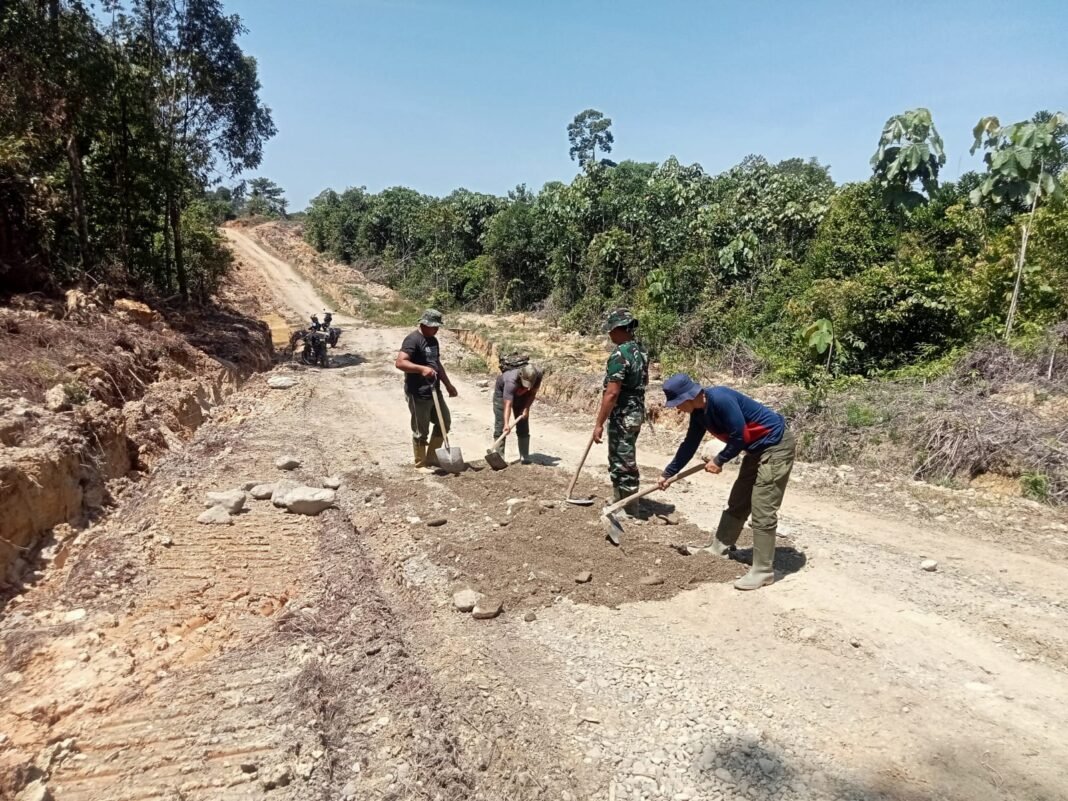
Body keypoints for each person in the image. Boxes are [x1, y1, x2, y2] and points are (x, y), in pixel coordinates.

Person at [656, 373, 796, 591]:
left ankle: (763, 571)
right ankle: (719, 548)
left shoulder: (720, 399)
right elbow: (690, 444)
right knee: (738, 500)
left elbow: (740, 436)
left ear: (688, 397)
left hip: (775, 446)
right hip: (755, 449)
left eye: (677, 404)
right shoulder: (700, 413)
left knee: (762, 507)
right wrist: (668, 473)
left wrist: (719, 460)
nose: (677, 409)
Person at [592, 309, 649, 517]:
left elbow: (612, 393)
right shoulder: (641, 351)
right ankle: (619, 498)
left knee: (622, 459)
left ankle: (629, 507)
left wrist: (599, 423)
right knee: (622, 455)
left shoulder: (620, 354)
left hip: (623, 414)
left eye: (611, 330)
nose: (609, 335)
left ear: (620, 329)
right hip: (636, 411)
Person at [395, 309, 458, 468]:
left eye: (437, 327)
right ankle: (420, 464)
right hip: (418, 393)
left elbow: (436, 364)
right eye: (434, 327)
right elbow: (400, 362)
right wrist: (421, 369)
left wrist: (448, 385)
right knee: (421, 431)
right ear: (424, 324)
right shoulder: (412, 340)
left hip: (434, 390)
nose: (436, 330)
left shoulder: (433, 341)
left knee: (444, 422)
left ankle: (432, 457)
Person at [493, 363, 543, 464]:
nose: (528, 388)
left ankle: (524, 456)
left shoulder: (538, 376)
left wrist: (526, 408)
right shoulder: (510, 381)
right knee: (501, 424)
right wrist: (507, 424)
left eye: (529, 385)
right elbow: (508, 404)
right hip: (501, 394)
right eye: (526, 384)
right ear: (520, 376)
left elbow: (532, 393)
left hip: (522, 396)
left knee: (523, 422)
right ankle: (499, 456)